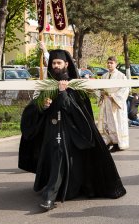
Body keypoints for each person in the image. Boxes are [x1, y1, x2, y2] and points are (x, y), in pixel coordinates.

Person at [18, 49, 126, 212]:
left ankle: (50, 196)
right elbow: (34, 109)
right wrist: (43, 106)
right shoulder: (45, 85)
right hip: (50, 131)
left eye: (58, 63)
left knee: (60, 158)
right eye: (53, 63)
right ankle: (55, 190)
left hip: (70, 132)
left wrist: (62, 93)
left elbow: (76, 110)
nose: (55, 66)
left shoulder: (75, 85)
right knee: (53, 160)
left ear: (66, 64)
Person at [97, 56, 130, 152]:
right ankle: (107, 142)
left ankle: (117, 143)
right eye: (108, 63)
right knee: (105, 123)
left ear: (116, 64)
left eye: (111, 63)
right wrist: (101, 93)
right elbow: (100, 89)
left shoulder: (121, 76)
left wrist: (114, 96)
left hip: (115, 103)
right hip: (106, 102)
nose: (109, 64)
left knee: (116, 123)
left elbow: (125, 89)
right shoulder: (104, 76)